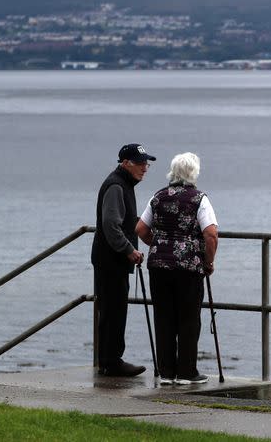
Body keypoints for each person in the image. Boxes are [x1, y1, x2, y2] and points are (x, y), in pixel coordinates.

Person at [135, 152, 218, 386]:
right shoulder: (199, 199)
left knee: (164, 317)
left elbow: (141, 229)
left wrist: (160, 245)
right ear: (194, 173)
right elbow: (210, 234)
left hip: (159, 266)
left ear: (173, 172)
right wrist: (208, 262)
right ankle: (186, 372)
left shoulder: (158, 196)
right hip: (188, 267)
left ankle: (166, 372)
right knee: (189, 318)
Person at [91, 143, 156, 377]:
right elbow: (111, 225)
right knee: (113, 310)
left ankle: (109, 360)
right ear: (125, 163)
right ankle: (111, 361)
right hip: (111, 259)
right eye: (140, 163)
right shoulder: (117, 186)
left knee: (114, 309)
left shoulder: (122, 184)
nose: (145, 168)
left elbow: (122, 220)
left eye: (146, 163)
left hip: (111, 258)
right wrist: (130, 250)